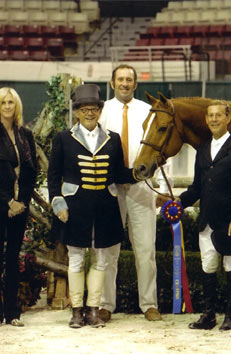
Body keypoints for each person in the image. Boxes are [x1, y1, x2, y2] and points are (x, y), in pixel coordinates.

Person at [47, 84, 139, 328]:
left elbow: (119, 173)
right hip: (74, 208)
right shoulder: (63, 138)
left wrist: (139, 173)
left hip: (105, 208)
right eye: (84, 109)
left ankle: (93, 310)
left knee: (101, 261)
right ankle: (76, 310)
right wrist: (58, 203)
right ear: (76, 112)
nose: (89, 113)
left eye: (94, 109)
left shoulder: (112, 139)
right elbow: (53, 176)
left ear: (100, 111)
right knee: (76, 260)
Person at [160, 100, 231, 331]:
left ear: (227, 118)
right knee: (208, 267)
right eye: (210, 116)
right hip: (207, 223)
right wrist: (179, 201)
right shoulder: (202, 151)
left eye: (218, 115)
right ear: (206, 119)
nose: (213, 119)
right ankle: (208, 315)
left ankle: (230, 316)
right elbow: (197, 188)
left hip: (230, 223)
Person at [98, 64, 169, 322]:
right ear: (112, 82)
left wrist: (159, 183)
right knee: (108, 251)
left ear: (135, 84)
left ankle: (149, 304)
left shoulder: (147, 110)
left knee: (145, 250)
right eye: (121, 79)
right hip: (110, 188)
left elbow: (159, 148)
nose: (125, 83)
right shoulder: (102, 111)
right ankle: (105, 304)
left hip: (142, 186)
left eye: (129, 80)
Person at [0, 87, 37, 327]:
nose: (7, 106)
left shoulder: (26, 135)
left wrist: (21, 201)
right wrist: (9, 201)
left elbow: (32, 171)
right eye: (3, 102)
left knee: (14, 258)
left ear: (17, 106)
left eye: (11, 102)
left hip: (19, 206)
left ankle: (13, 313)